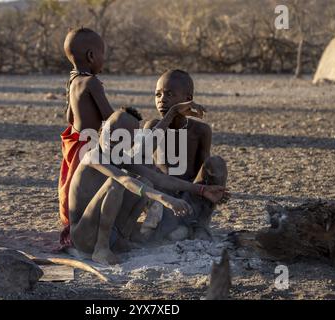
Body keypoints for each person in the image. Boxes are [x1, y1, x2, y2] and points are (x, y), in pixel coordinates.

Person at [68, 107, 227, 265]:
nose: (113, 139)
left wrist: (202, 189)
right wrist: (165, 199)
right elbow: (123, 179)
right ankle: (101, 248)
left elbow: (160, 179)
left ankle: (122, 238)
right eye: (111, 131)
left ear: (129, 143)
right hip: (84, 236)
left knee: (146, 181)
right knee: (117, 183)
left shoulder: (120, 157)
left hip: (112, 234)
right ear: (101, 129)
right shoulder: (92, 155)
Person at [142, 69, 228, 241]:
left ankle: (200, 224)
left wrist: (214, 188)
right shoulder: (153, 126)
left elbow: (203, 170)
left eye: (170, 94)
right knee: (147, 176)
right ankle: (172, 226)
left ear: (187, 100)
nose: (162, 100)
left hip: (191, 195)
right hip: (163, 197)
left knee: (216, 163)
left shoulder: (200, 130)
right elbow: (141, 159)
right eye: (157, 94)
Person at [58, 28, 115, 247]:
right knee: (87, 183)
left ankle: (70, 218)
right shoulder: (92, 83)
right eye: (103, 54)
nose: (104, 60)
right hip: (88, 142)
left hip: (75, 138)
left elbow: (69, 115)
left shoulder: (72, 81)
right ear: (92, 56)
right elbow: (108, 116)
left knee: (71, 180)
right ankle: (83, 221)